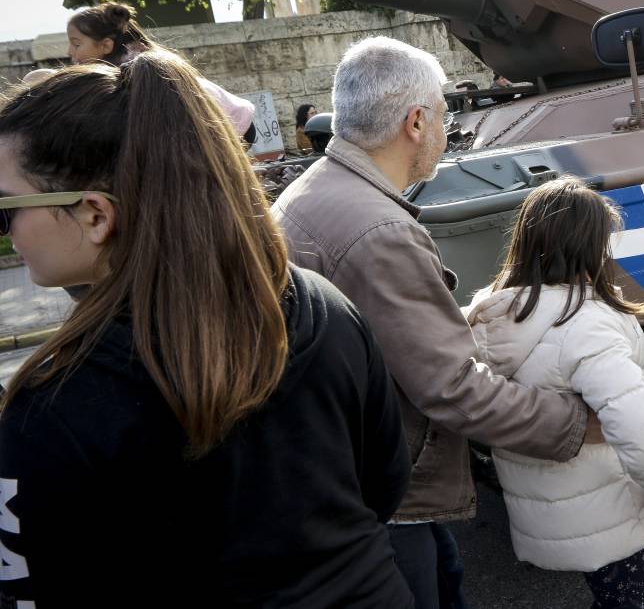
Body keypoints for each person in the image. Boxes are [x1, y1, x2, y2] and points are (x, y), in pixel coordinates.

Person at [0, 52, 413, 607]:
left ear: (96, 214)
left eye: (6, 210)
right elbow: (382, 484)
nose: (8, 231)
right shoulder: (318, 303)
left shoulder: (54, 405)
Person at [271, 36, 596, 609]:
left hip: (341, 470)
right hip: (382, 491)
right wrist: (574, 421)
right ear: (416, 122)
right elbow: (454, 388)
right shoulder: (382, 232)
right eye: (445, 112)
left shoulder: (314, 190)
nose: (451, 127)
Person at [464, 177, 644, 609]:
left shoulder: (492, 313)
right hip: (612, 508)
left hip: (548, 510)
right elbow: (640, 428)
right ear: (590, 247)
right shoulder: (589, 324)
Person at [66, 2, 257, 141]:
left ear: (106, 45)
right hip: (217, 122)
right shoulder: (131, 62)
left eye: (77, 44)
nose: (70, 52)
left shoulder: (138, 68)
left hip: (229, 124)